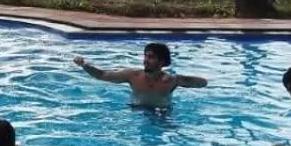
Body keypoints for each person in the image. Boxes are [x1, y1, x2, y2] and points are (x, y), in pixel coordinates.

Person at [73, 41, 207, 105]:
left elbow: (202, 83)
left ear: (162, 62)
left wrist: (177, 78)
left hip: (162, 114)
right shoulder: (132, 75)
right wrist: (84, 65)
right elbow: (102, 75)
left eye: (151, 57)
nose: (146, 60)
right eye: (145, 56)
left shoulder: (171, 80)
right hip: (136, 110)